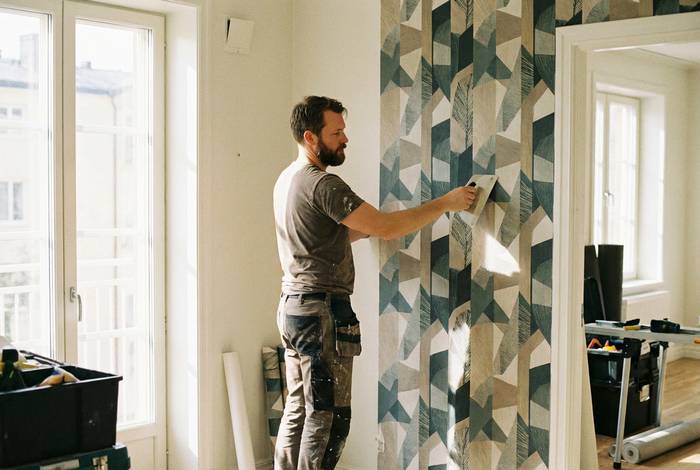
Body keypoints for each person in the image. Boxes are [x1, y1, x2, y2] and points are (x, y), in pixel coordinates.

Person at [273, 96, 477, 470]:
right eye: (336, 132)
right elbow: (385, 227)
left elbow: (322, 236)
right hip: (320, 313)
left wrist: (363, 227)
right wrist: (445, 203)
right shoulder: (323, 184)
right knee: (329, 416)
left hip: (293, 308)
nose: (345, 139)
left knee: (299, 410)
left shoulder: (288, 179)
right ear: (310, 137)